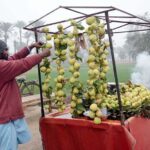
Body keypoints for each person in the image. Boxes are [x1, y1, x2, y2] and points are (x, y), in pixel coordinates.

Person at [0, 39, 50, 149]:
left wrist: (30, 47)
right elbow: (22, 64)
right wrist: (41, 55)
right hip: (3, 121)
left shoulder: (3, 64)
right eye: (5, 50)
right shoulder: (1, 67)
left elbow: (14, 58)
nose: (7, 52)